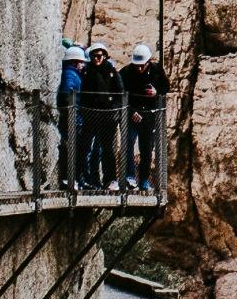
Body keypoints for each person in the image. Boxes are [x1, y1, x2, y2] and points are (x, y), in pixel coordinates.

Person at [77, 40, 124, 190]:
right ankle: (81, 178)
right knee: (85, 147)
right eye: (93, 56)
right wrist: (85, 110)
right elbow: (82, 93)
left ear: (104, 56)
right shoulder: (87, 71)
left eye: (99, 56)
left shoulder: (111, 71)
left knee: (107, 149)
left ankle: (110, 179)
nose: (96, 59)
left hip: (107, 116)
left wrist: (114, 109)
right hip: (90, 115)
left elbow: (120, 92)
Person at [120, 44, 166, 193]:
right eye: (137, 65)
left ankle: (144, 180)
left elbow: (167, 86)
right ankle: (130, 177)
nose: (139, 69)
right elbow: (120, 94)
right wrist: (132, 110)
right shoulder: (126, 73)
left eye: (142, 66)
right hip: (131, 115)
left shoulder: (156, 70)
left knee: (146, 150)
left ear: (148, 62)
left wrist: (156, 91)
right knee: (127, 145)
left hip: (149, 116)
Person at [55, 45, 89, 191]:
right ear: (75, 62)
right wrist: (72, 111)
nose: (83, 65)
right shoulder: (70, 74)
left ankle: (73, 178)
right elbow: (66, 93)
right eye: (81, 62)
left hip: (74, 116)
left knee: (74, 149)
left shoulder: (72, 74)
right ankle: (70, 178)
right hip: (72, 117)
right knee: (72, 149)